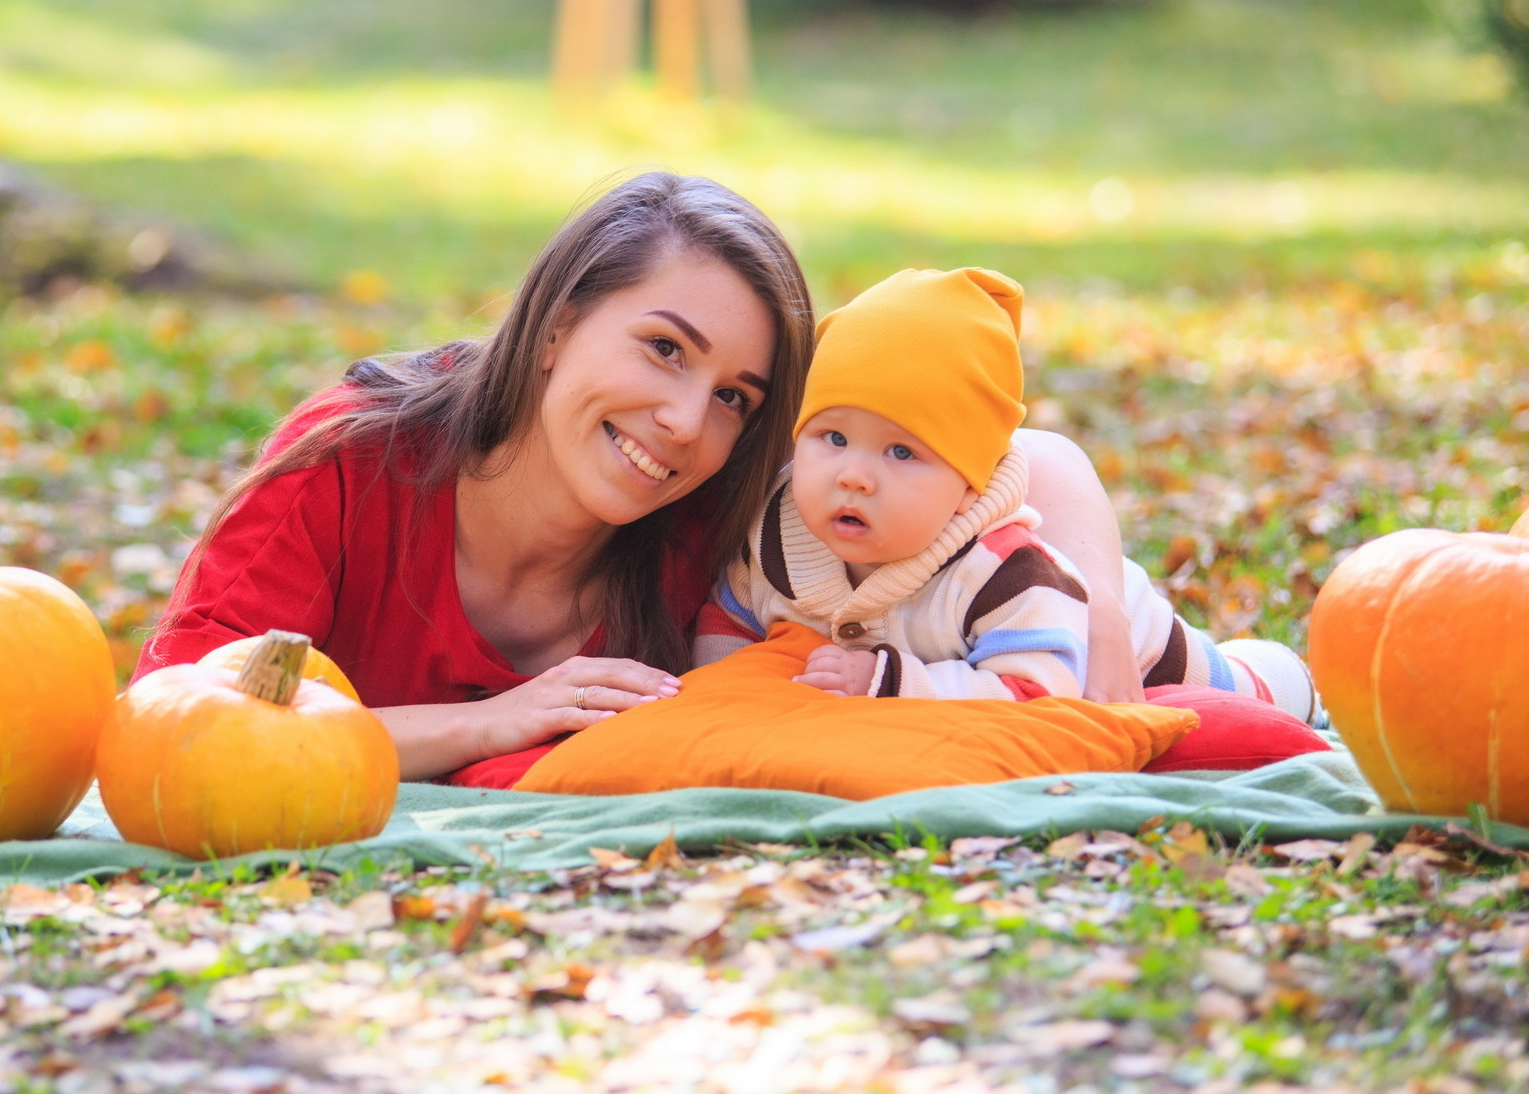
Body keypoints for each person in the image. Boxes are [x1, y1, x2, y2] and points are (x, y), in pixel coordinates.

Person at [138, 174, 1151, 782]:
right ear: (556, 324)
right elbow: (174, 719)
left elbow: (1029, 456)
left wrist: (1093, 600)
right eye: (664, 348)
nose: (683, 422)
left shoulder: (714, 509)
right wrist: (489, 722)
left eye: (734, 396)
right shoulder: (354, 461)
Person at [694, 267, 1318, 720]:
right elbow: (732, 613)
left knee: (1226, 697)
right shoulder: (777, 533)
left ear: (968, 488)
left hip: (1110, 642)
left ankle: (1285, 679)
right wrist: (717, 692)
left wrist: (890, 680)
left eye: (902, 452)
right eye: (832, 436)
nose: (854, 475)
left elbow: (1033, 689)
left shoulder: (1004, 571)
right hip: (954, 662)